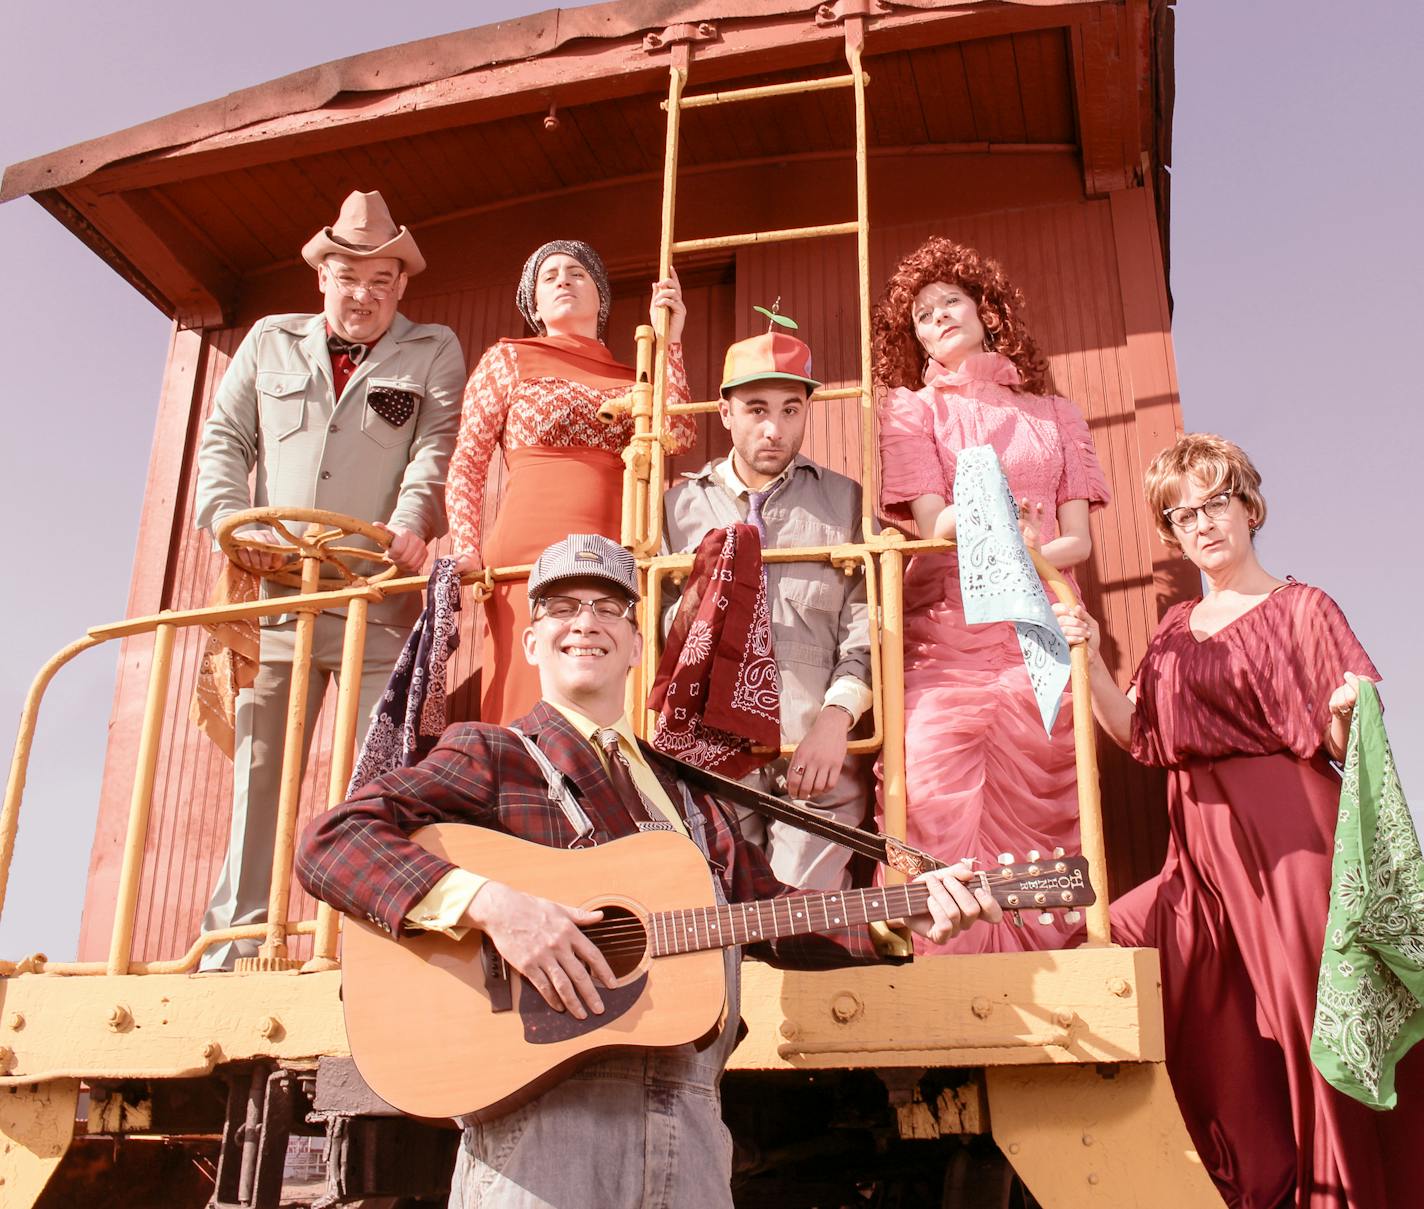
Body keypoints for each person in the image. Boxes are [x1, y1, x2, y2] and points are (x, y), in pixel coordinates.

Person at [296, 534, 999, 1208]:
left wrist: (892, 917)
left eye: (608, 608)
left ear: (637, 645)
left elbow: (769, 913)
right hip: (544, 1136)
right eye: (562, 607)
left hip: (690, 1134)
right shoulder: (492, 754)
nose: (586, 623)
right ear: (533, 639)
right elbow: (332, 841)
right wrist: (494, 905)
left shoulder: (687, 791)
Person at [1054, 433, 1422, 1208]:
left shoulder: (1303, 606)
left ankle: (1348, 1195)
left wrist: (1351, 711)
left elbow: (1337, 738)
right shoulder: (1172, 628)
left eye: (1214, 502)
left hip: (1292, 849)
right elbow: (1140, 735)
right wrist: (1082, 659)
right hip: (1200, 860)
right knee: (1141, 968)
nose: (1201, 523)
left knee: (1309, 1035)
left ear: (1248, 505)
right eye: (1181, 513)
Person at [193, 190, 465, 970]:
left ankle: (359, 949)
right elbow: (224, 440)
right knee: (260, 776)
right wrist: (224, 520)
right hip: (276, 596)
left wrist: (408, 526)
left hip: (373, 597)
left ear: (401, 286)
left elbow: (433, 451)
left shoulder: (433, 349)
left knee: (377, 776)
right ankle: (236, 946)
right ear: (323, 275)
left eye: (383, 281)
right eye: (350, 277)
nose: (365, 296)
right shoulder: (268, 343)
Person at [870, 236, 1109, 954]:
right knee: (932, 761)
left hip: (1035, 619)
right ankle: (939, 956)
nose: (936, 317)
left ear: (987, 311)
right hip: (949, 623)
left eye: (950, 302)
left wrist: (1023, 545)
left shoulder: (1056, 413)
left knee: (1047, 774)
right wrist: (995, 516)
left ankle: (1045, 963)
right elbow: (932, 522)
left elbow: (1076, 542)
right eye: (920, 315)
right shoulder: (909, 409)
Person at [444, 241, 697, 724]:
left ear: (600, 296)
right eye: (549, 276)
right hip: (527, 554)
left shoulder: (636, 376)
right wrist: (466, 546)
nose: (563, 280)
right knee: (527, 692)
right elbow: (468, 461)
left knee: (608, 690)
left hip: (616, 548)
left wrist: (672, 341)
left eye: (578, 273)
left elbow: (679, 433)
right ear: (533, 304)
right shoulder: (509, 360)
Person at [663, 321, 873, 890]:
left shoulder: (847, 501)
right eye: (757, 409)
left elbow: (866, 623)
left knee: (800, 919)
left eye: (791, 410)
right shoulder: (678, 507)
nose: (774, 428)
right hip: (712, 756)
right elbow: (657, 632)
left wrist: (836, 720)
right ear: (726, 412)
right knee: (719, 913)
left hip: (816, 752)